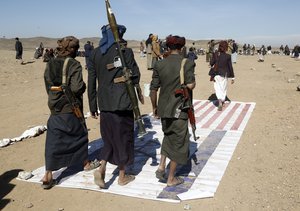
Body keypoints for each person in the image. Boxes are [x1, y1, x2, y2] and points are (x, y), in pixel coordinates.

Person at [88, 24, 142, 188]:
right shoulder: (125, 52)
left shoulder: (95, 53)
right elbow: (136, 76)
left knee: (110, 138)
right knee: (124, 138)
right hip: (122, 102)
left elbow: (91, 81)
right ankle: (122, 176)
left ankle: (102, 167)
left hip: (104, 102)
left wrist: (92, 105)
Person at [42, 36, 99, 189]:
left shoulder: (51, 63)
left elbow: (47, 84)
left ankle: (47, 174)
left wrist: (54, 96)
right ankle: (86, 163)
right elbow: (76, 88)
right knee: (80, 134)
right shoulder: (74, 64)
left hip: (54, 107)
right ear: (72, 50)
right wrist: (83, 87)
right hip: (70, 107)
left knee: (53, 139)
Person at [150, 35, 196, 187]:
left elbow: (153, 89)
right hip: (179, 109)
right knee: (179, 143)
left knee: (168, 135)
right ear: (181, 48)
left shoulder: (159, 64)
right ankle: (171, 178)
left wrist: (154, 108)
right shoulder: (187, 63)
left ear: (167, 48)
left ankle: (162, 166)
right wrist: (191, 82)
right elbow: (190, 85)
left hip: (163, 109)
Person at [210, 40, 235, 111]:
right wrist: (233, 77)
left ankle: (219, 101)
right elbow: (230, 67)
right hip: (224, 75)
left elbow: (211, 63)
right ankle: (222, 101)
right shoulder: (228, 56)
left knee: (217, 88)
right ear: (226, 47)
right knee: (223, 88)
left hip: (216, 74)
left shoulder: (215, 54)